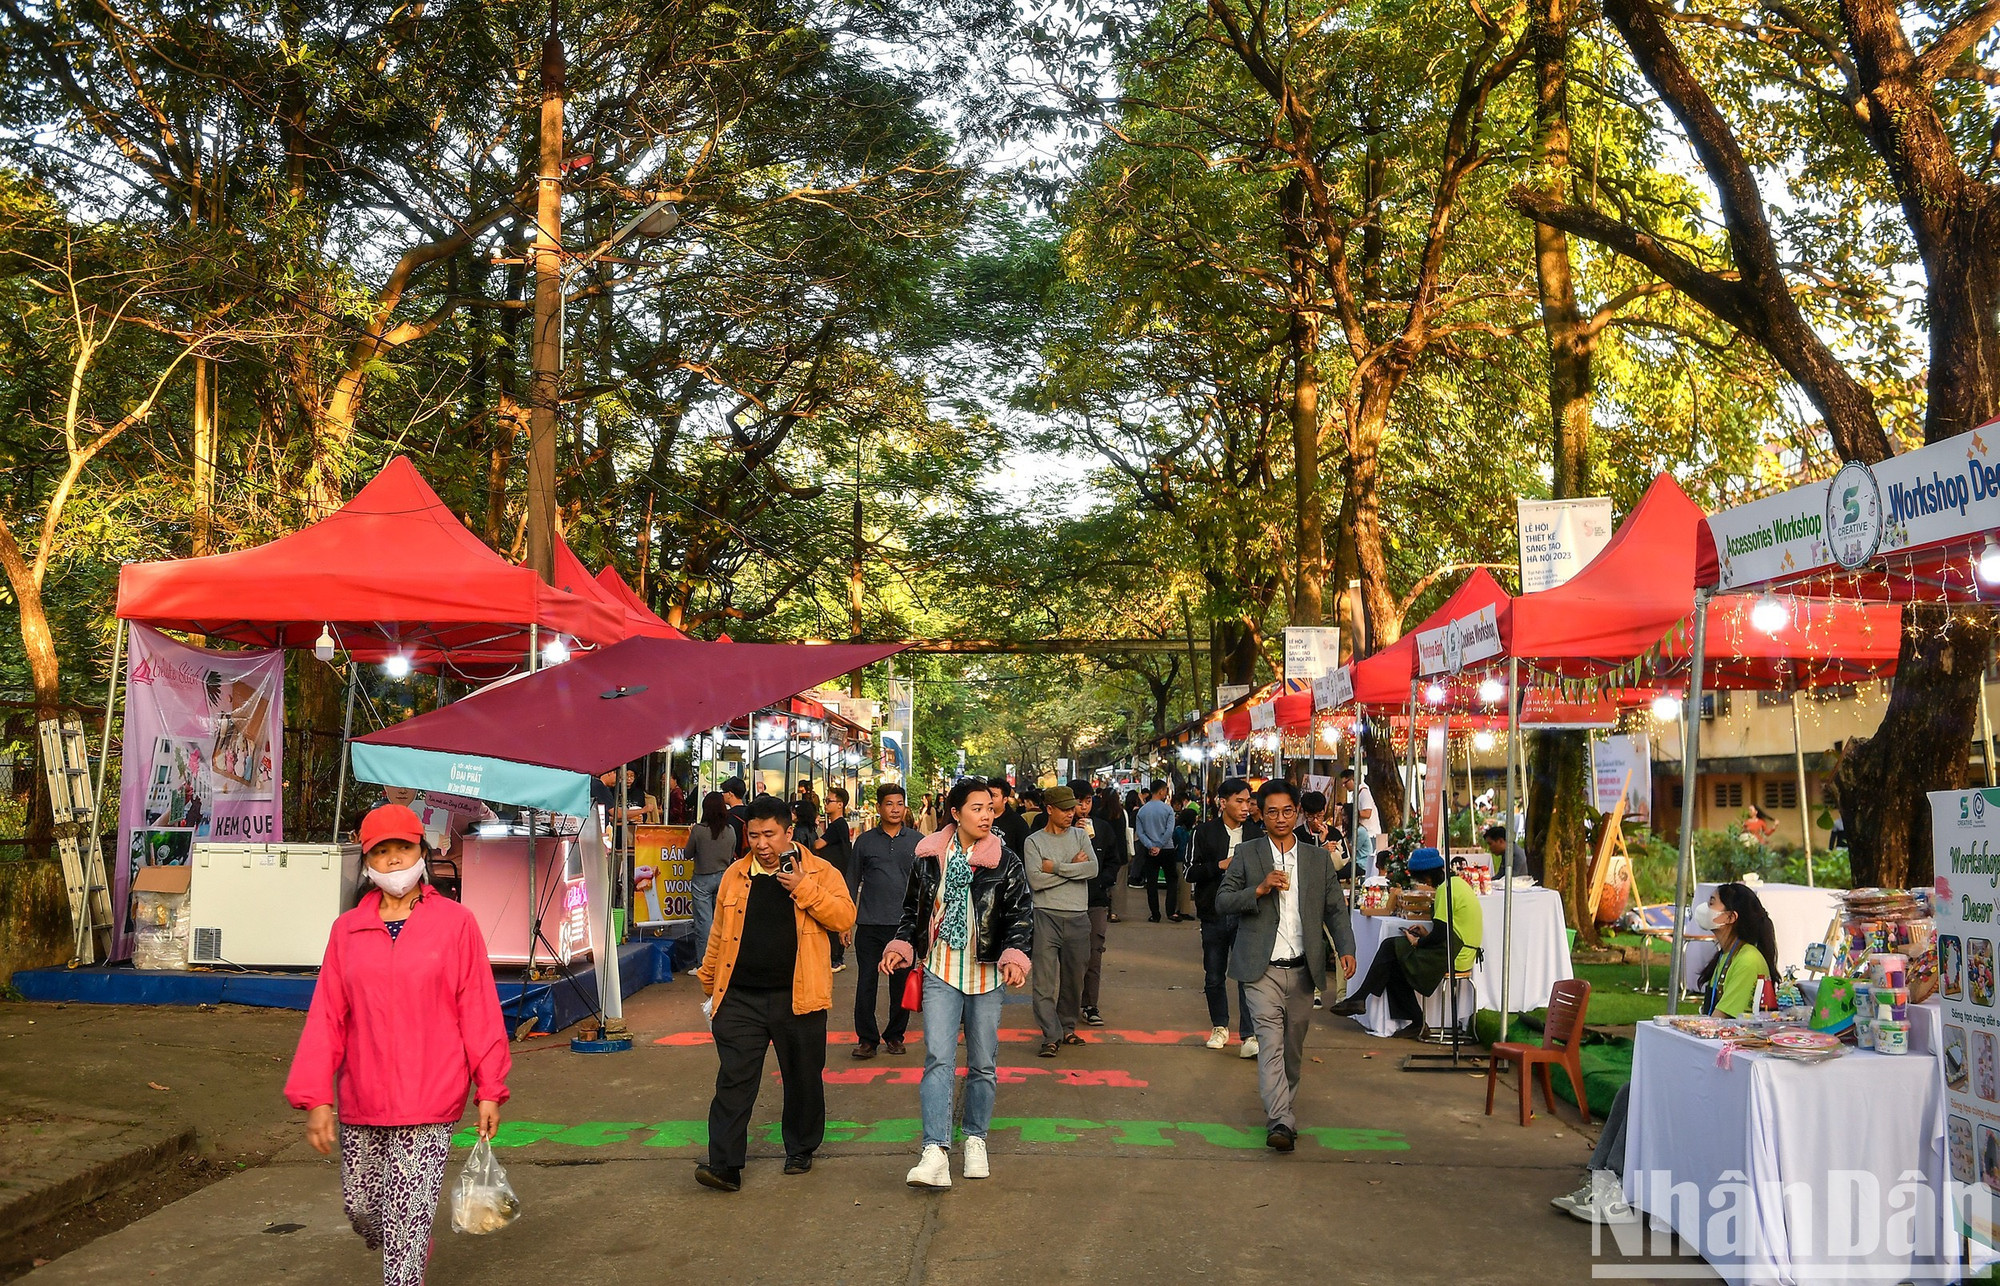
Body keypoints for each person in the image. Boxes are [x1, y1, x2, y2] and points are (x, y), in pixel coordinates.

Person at [285, 804, 509, 1286]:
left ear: (422, 852)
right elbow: (327, 1016)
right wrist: (316, 1097)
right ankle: (411, 1239)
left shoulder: (455, 924)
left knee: (406, 1218)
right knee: (363, 1208)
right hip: (363, 1096)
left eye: (403, 848)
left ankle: (408, 1252)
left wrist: (489, 1087)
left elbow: (478, 1008)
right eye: (381, 851)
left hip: (430, 1096)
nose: (392, 860)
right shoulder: (347, 931)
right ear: (367, 861)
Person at [1554, 883, 1778, 1226]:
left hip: (1724, 1073)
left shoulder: (1747, 960)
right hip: (1714, 1060)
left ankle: (1615, 1188)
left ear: (1730, 917)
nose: (1704, 908)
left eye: (1712, 903)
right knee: (1629, 1091)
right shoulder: (1728, 956)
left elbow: (1719, 1022)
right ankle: (1601, 1180)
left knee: (1643, 1094)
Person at [694, 795, 856, 1191]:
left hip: (798, 996)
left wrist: (804, 888)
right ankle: (724, 1165)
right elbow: (719, 934)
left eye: (770, 835)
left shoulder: (819, 871)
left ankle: (800, 1147)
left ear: (789, 832)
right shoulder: (735, 874)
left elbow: (844, 917)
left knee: (802, 1077)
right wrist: (710, 983)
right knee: (733, 1081)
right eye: (754, 836)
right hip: (740, 997)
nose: (762, 844)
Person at [883, 778, 1034, 1189]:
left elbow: (1020, 914)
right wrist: (902, 944)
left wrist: (1015, 955)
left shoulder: (1005, 860)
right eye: (976, 808)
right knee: (938, 1059)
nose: (986, 815)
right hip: (940, 971)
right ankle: (934, 1151)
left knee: (983, 1063)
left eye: (989, 808)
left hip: (986, 976)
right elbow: (912, 911)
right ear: (955, 812)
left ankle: (975, 1139)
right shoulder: (928, 855)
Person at [1215, 779, 1355, 1152]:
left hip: (1303, 968)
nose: (1280, 818)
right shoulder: (1247, 854)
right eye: (1272, 812)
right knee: (1270, 1044)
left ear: (1298, 813)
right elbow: (1223, 900)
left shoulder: (1317, 859)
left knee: (1292, 1049)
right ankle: (1279, 1120)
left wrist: (1346, 947)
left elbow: (1335, 910)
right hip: (1260, 969)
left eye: (1287, 811)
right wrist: (1258, 890)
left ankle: (1283, 1111)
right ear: (1261, 815)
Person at [1331, 847, 1482, 1039]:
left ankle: (1360, 997)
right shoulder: (1458, 884)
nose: (1424, 884)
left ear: (1427, 875)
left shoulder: (1446, 890)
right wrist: (1425, 934)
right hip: (1459, 949)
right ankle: (1415, 1022)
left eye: (1422, 879)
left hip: (1454, 954)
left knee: (1390, 946)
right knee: (1393, 962)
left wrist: (1418, 942)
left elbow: (1440, 934)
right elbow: (1445, 930)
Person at [1187, 778, 1261, 1055]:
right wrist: (1220, 865)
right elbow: (1189, 872)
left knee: (1247, 975)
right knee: (1214, 974)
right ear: (1223, 802)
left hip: (1247, 913)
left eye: (1248, 802)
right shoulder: (1203, 833)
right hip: (1214, 913)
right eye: (1239, 801)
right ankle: (1219, 1026)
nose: (1245, 807)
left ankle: (1249, 1035)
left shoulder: (1255, 834)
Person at [847, 784, 922, 1058]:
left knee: (900, 986)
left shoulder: (918, 841)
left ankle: (895, 1036)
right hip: (869, 925)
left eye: (899, 804)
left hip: (904, 928)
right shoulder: (865, 842)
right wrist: (845, 922)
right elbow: (851, 880)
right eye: (889, 804)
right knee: (866, 983)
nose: (895, 809)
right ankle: (867, 1040)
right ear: (879, 807)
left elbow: (927, 884)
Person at [1025, 785, 1097, 1057]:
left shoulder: (1080, 835)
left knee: (1074, 979)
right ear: (1049, 809)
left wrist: (1054, 867)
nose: (1071, 813)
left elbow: (1092, 868)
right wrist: (1073, 868)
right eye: (1065, 809)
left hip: (1078, 915)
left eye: (1072, 808)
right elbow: (1036, 881)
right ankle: (1051, 1035)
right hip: (1045, 915)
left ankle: (1067, 1027)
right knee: (1043, 982)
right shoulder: (1033, 842)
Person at [1082, 783, 1127, 1022]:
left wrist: (1102, 881)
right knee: (1068, 959)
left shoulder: (1102, 828)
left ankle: (1090, 1004)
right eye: (1077, 802)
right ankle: (1065, 1006)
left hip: (1095, 901)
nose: (1082, 807)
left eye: (1087, 801)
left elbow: (1113, 860)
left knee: (1094, 953)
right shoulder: (1055, 830)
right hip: (1063, 904)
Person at [688, 791, 739, 961]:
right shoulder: (730, 830)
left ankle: (705, 962)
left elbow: (687, 853)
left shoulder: (698, 830)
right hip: (724, 877)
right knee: (722, 921)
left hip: (702, 879)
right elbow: (731, 855)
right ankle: (721, 960)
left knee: (704, 922)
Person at [1132, 780, 1185, 922]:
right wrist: (1160, 845)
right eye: (1165, 790)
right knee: (1172, 881)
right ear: (1161, 791)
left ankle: (1155, 914)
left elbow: (1140, 833)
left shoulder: (1142, 811)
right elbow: (1169, 830)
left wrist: (1151, 846)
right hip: (1167, 849)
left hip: (1149, 851)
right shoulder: (1168, 810)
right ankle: (1171, 912)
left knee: (1152, 883)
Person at [1342, 768, 1382, 851]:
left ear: (1353, 779)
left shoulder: (1363, 793)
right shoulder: (1356, 794)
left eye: (1345, 783)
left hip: (1370, 834)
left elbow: (1367, 813)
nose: (1344, 786)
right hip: (1363, 833)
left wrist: (1349, 812)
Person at [991, 776, 1030, 855]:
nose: (990, 798)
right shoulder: (979, 818)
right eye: (988, 794)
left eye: (994, 795)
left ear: (1005, 799)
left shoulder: (1017, 822)